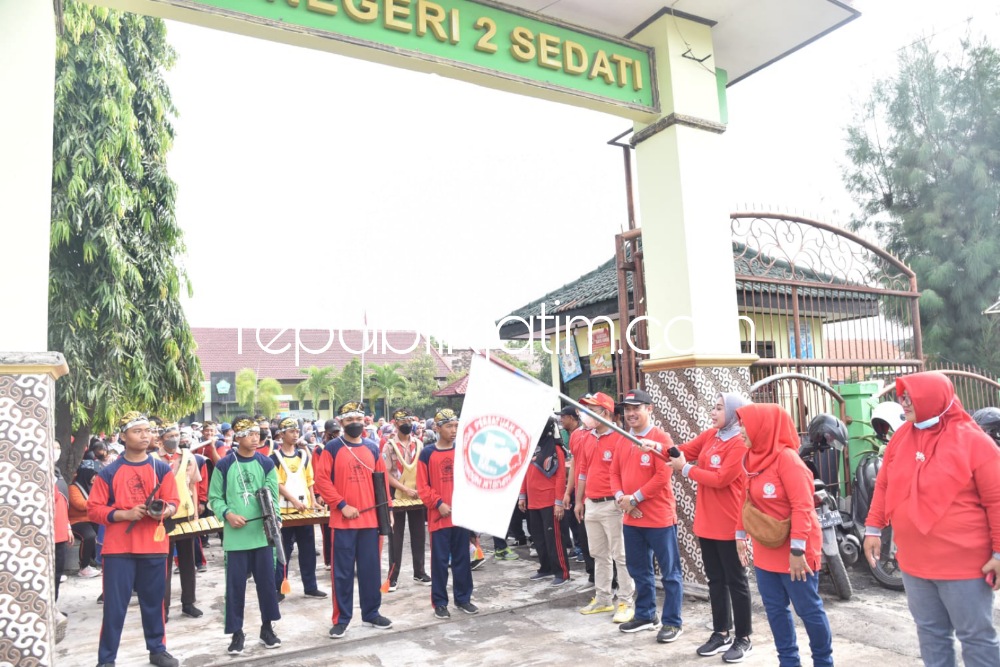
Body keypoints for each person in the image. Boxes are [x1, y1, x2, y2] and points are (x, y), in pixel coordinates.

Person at [864, 372, 1000, 667]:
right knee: (931, 635)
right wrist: (873, 528)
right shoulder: (901, 437)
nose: (904, 402)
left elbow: (997, 501)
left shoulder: (975, 442)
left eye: (911, 396)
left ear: (933, 398)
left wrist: (999, 553)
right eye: (902, 396)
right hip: (914, 564)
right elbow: (884, 485)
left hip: (964, 565)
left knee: (975, 636)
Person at [735, 403, 831, 667]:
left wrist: (798, 550)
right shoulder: (750, 459)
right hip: (766, 548)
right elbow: (745, 501)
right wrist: (740, 535)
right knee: (775, 610)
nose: (741, 430)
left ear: (763, 428)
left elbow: (803, 506)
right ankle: (788, 662)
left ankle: (824, 661)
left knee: (808, 610)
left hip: (796, 550)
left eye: (745, 424)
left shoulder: (788, 460)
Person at [87, 411, 180, 667]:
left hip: (154, 545)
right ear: (124, 436)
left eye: (147, 431)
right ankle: (106, 660)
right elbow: (93, 508)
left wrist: (165, 509)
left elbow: (174, 502)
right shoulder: (110, 471)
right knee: (114, 608)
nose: (144, 435)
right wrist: (123, 514)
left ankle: (157, 650)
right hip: (118, 549)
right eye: (137, 431)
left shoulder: (161, 469)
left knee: (154, 604)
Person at [670, 392, 754, 662]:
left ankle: (743, 638)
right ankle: (721, 632)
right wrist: (655, 446)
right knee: (715, 581)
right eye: (713, 408)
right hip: (706, 523)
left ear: (733, 413)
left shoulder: (739, 444)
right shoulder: (711, 436)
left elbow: (720, 479)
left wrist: (685, 470)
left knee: (736, 581)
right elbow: (684, 450)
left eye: (719, 408)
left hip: (730, 524)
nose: (713, 412)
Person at [313, 402, 393, 638]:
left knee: (371, 571)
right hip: (343, 523)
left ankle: (371, 613)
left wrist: (387, 510)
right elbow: (322, 481)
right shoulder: (332, 448)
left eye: (358, 419)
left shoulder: (373, 448)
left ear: (365, 420)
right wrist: (341, 505)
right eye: (349, 421)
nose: (354, 424)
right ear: (340, 422)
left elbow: (382, 482)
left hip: (370, 522)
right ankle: (342, 619)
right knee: (343, 573)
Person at [612, 388, 684, 643]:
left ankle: (673, 622)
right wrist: (621, 497)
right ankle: (645, 615)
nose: (630, 414)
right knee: (638, 570)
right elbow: (614, 472)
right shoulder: (622, 437)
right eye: (627, 410)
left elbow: (663, 476)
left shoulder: (660, 438)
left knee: (670, 573)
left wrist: (635, 498)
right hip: (632, 519)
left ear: (649, 409)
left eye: (636, 409)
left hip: (659, 519)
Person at [208, 415, 282, 655]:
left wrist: (276, 521)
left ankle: (267, 628)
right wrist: (228, 514)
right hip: (236, 538)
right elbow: (214, 498)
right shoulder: (224, 465)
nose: (255, 437)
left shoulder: (266, 463)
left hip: (262, 536)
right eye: (249, 434)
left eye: (257, 433)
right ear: (237, 437)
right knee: (235, 587)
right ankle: (237, 633)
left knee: (267, 585)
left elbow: (272, 496)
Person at [574, 392, 635, 623]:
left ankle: (626, 601)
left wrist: (628, 502)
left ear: (606, 413)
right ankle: (603, 598)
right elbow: (582, 471)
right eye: (586, 410)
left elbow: (627, 473)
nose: (586, 415)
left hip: (613, 504)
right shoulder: (588, 437)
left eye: (592, 410)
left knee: (621, 555)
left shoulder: (621, 438)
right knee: (599, 554)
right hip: (592, 504)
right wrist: (580, 501)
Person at [417, 408, 479, 620]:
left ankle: (463, 599)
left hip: (461, 516)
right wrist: (438, 503)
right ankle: (440, 603)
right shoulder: (427, 453)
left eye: (456, 426)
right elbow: (422, 486)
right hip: (439, 518)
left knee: (463, 560)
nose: (454, 430)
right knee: (440, 563)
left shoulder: (462, 451)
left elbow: (472, 479)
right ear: (437, 428)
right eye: (449, 426)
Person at [271, 417, 327, 600]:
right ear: (281, 435)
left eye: (297, 431)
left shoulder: (303, 455)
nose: (295, 435)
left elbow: (309, 480)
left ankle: (310, 587)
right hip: (285, 512)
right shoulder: (274, 458)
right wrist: (293, 500)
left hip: (304, 512)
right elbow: (277, 484)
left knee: (308, 550)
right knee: (283, 551)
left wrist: (313, 501)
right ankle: (279, 588)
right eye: (291, 432)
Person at [153, 421, 203, 621]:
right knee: (163, 563)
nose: (174, 439)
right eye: (169, 436)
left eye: (176, 434)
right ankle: (162, 608)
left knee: (188, 561)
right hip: (163, 516)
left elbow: (193, 486)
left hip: (185, 513)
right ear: (161, 439)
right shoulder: (153, 459)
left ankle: (189, 602)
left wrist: (196, 513)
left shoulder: (188, 457)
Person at [382, 408, 431, 591]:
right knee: (396, 538)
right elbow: (386, 474)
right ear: (395, 423)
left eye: (409, 421)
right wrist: (404, 489)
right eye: (403, 422)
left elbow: (423, 469)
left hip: (417, 497)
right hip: (398, 497)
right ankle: (393, 577)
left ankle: (419, 572)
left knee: (419, 535)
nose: (407, 425)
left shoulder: (418, 443)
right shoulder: (388, 446)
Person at [519, 418, 570, 586]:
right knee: (539, 538)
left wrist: (558, 502)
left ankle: (561, 572)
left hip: (550, 502)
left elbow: (561, 476)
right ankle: (545, 567)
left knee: (554, 539)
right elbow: (525, 473)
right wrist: (522, 495)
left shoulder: (556, 449)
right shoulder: (531, 448)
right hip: (533, 501)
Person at [69, 460, 102, 578]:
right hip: (75, 521)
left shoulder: (92, 486)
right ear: (87, 474)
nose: (96, 477)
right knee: (89, 536)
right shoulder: (73, 488)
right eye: (94, 474)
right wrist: (97, 503)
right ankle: (84, 567)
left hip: (90, 520)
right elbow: (80, 504)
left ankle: (94, 562)